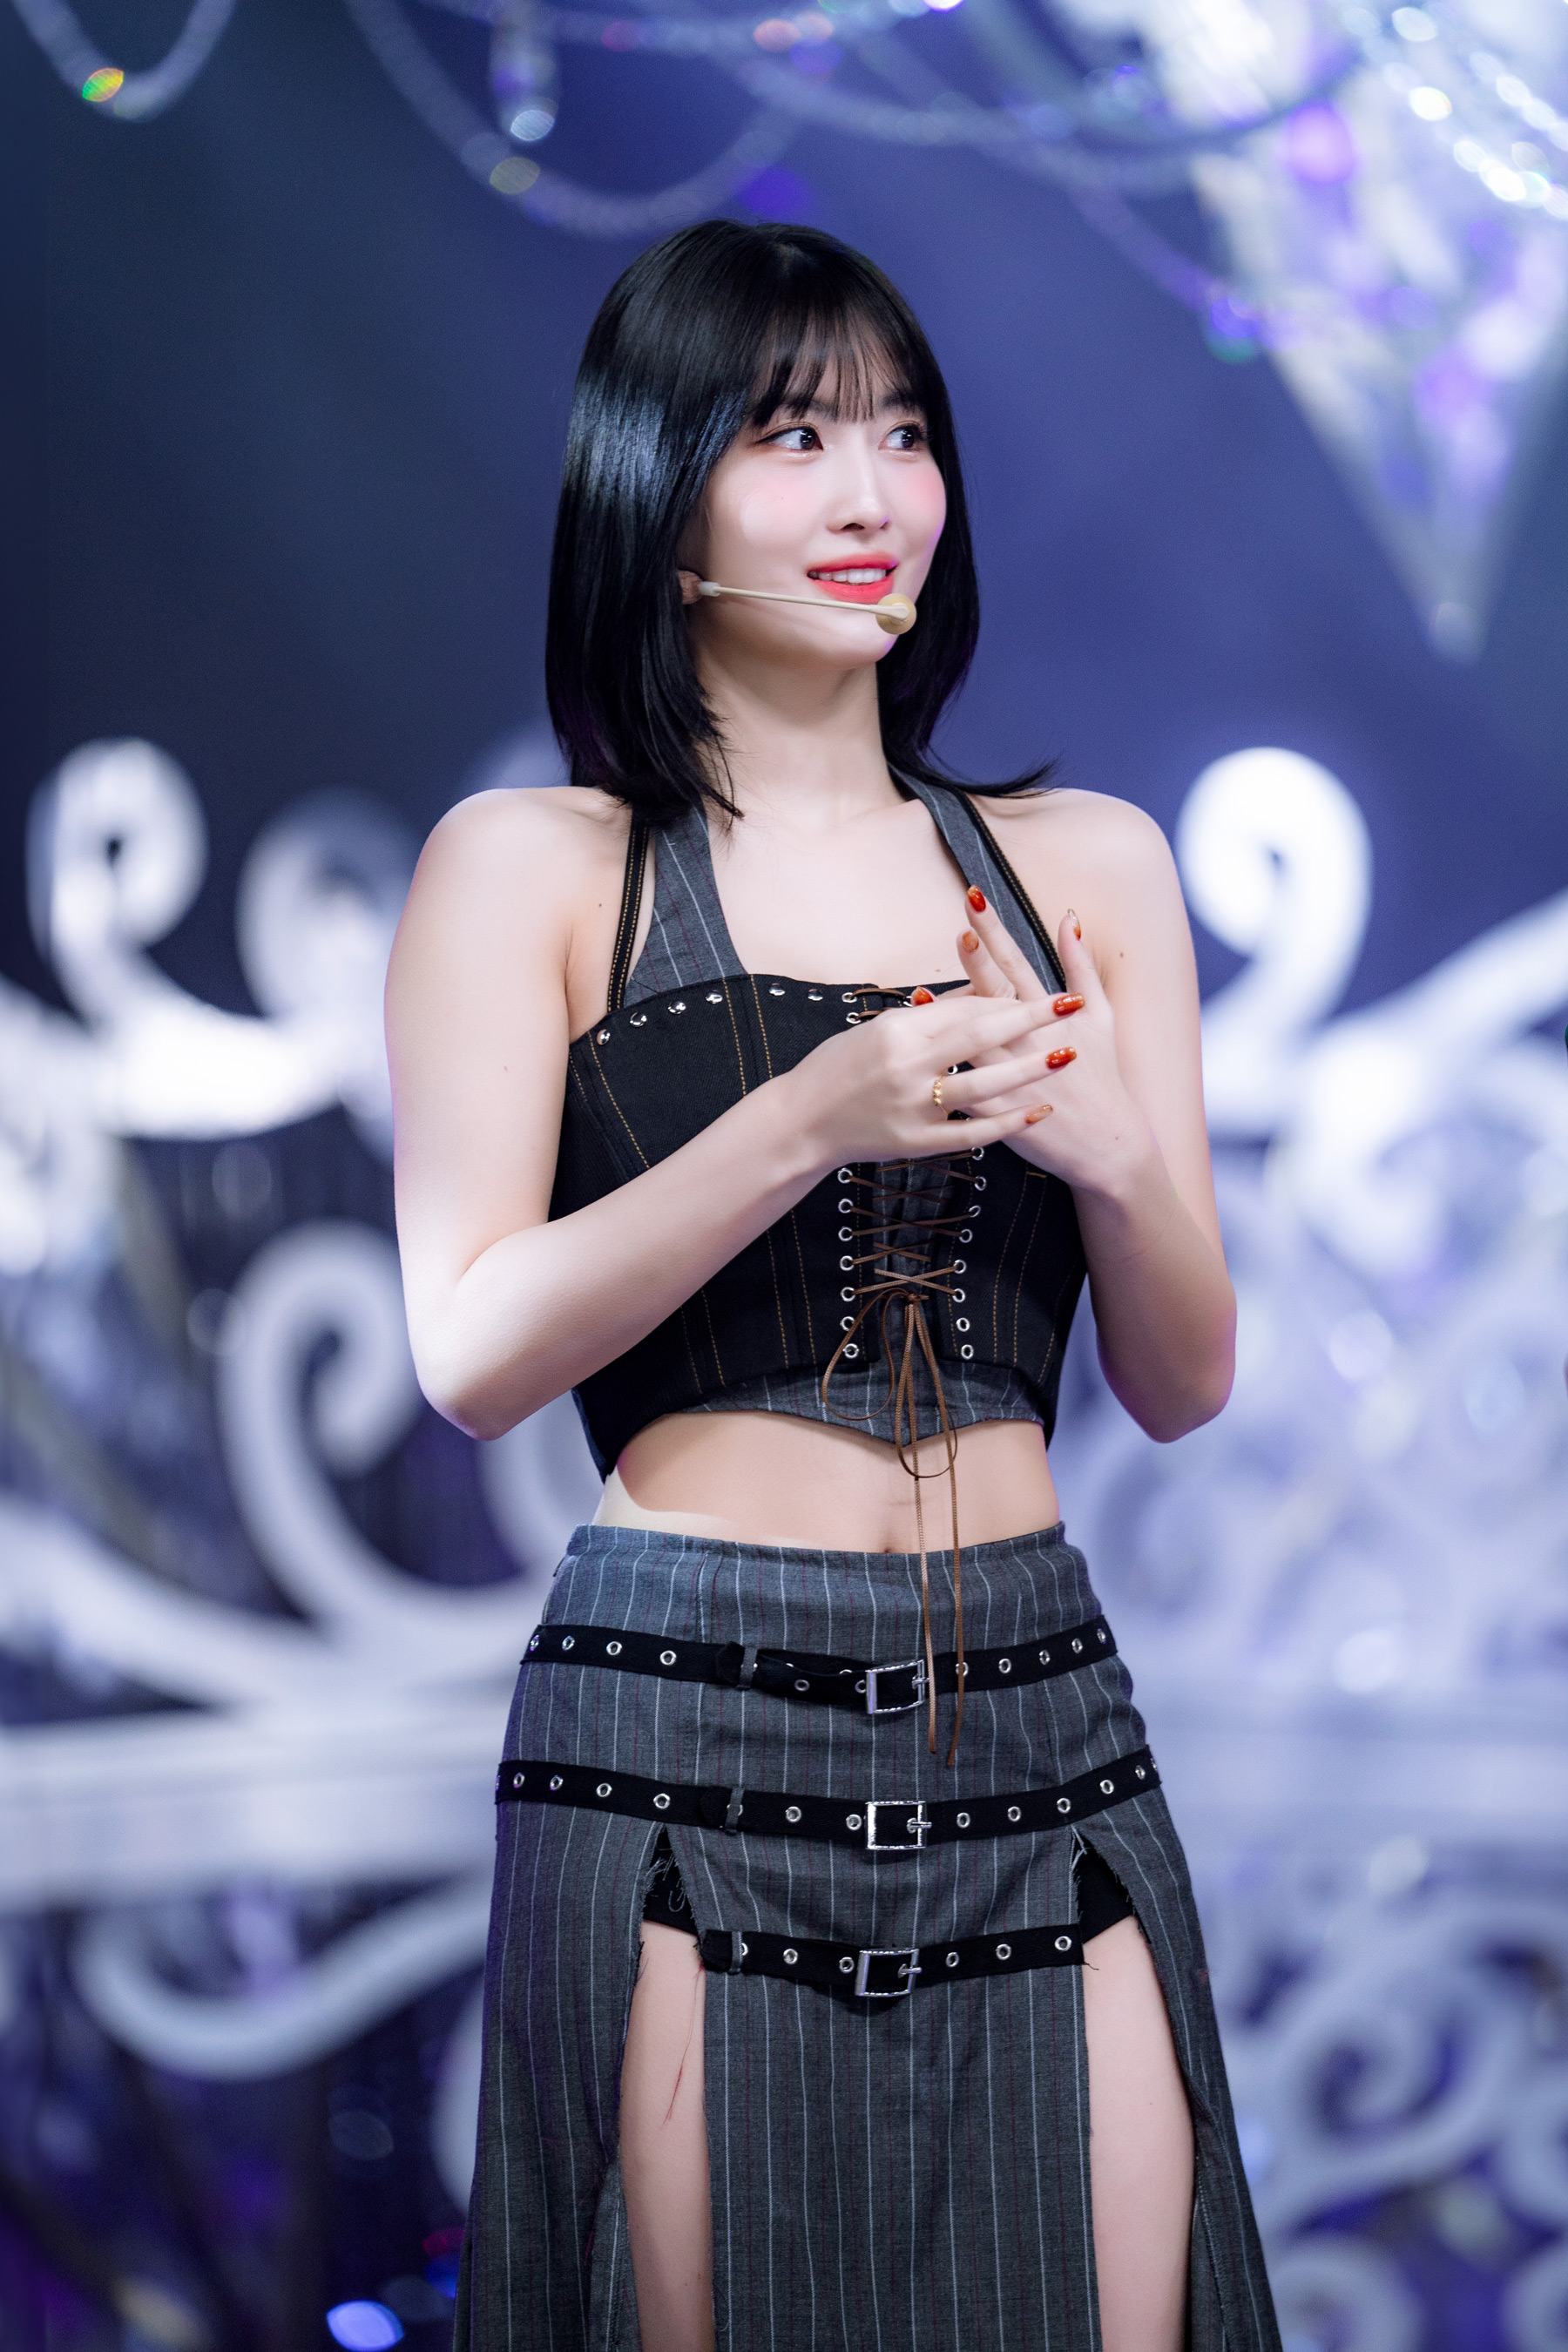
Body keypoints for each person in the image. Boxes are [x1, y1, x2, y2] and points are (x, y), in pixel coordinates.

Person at [387, 220, 1280, 2352]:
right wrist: (808, 1117)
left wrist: (1114, 1154)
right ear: (664, 499)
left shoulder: (1088, 867)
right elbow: (471, 1348)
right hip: (683, 1714)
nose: (874, 492)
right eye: (793, 437)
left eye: (903, 433)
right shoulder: (530, 869)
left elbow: (1183, 1377)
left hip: (1038, 1706)